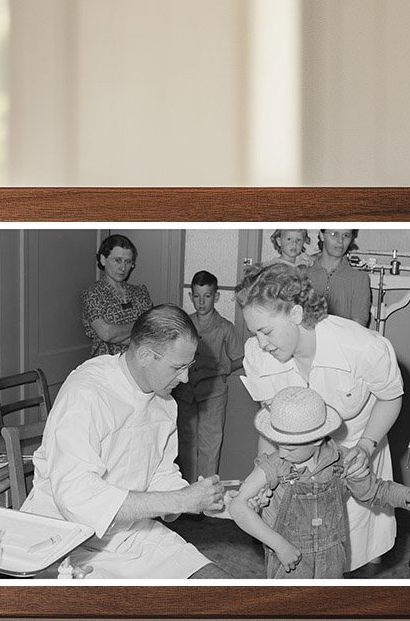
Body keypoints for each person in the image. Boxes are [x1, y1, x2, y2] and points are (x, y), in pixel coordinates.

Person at [21, 305, 230, 579]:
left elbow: (160, 475)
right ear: (145, 355)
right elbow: (76, 497)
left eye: (189, 367)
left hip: (130, 533)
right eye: (178, 367)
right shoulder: (87, 392)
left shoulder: (165, 401)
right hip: (63, 540)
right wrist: (181, 500)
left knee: (222, 587)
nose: (186, 378)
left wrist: (212, 502)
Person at [234, 261, 404, 571]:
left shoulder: (364, 347)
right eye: (254, 332)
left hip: (354, 456)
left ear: (296, 314)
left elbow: (391, 398)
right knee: (297, 552)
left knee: (343, 555)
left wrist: (366, 446)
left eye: (266, 330)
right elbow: (272, 424)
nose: (261, 342)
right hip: (298, 466)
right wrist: (264, 481)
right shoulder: (259, 354)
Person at [229, 387, 410, 578]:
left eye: (290, 448)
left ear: (316, 439)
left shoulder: (343, 461)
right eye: (278, 444)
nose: (281, 453)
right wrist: (279, 545)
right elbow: (238, 506)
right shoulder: (274, 465)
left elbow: (377, 490)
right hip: (289, 558)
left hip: (332, 559)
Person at [174, 271, 244, 482]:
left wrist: (223, 367)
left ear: (217, 296)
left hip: (213, 395)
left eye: (207, 296)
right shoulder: (183, 325)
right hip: (185, 392)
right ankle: (187, 491)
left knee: (210, 444)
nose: (202, 302)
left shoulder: (225, 327)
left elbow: (240, 358)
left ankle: (205, 495)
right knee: (186, 442)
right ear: (190, 296)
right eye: (197, 296)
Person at [80, 234, 153, 358]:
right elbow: (106, 333)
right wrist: (141, 324)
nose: (123, 267)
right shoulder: (93, 294)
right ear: (103, 260)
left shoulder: (140, 292)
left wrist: (118, 335)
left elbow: (153, 329)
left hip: (140, 362)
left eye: (128, 262)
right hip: (106, 364)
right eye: (117, 260)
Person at [305, 228, 372, 327]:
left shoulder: (359, 279)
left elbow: (358, 328)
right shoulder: (303, 274)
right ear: (322, 235)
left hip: (343, 340)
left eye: (346, 235)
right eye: (334, 234)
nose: (340, 240)